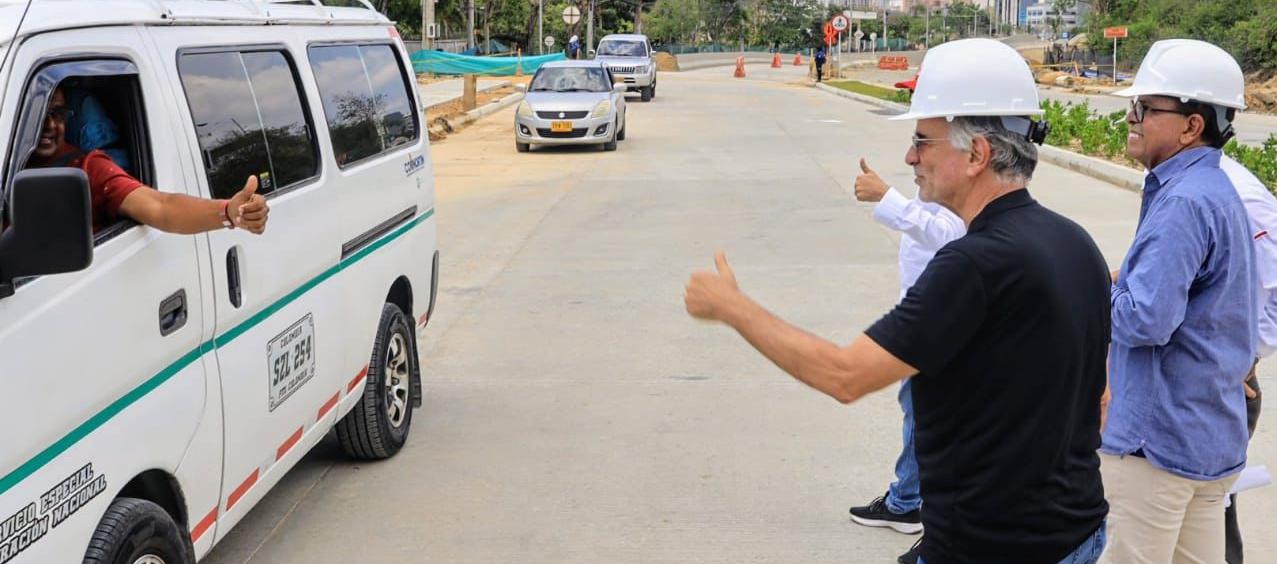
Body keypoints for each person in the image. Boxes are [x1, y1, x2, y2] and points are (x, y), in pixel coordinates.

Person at [684, 39, 1109, 563]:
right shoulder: (1074, 241)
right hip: (1075, 533)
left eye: (922, 141)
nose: (910, 157)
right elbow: (1101, 399)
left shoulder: (971, 265)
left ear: (976, 154)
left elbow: (845, 376)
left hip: (996, 546)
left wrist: (733, 307)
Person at [1101, 39, 1255, 564]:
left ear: (1192, 126)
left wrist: (1091, 289)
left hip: (1156, 445)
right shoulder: (1212, 190)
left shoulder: (1185, 202)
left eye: (1146, 108)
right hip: (1206, 437)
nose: (1132, 117)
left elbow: (1146, 320)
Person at [847, 157, 965, 563]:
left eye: (922, 139)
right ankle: (908, 501)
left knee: (929, 419)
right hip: (929, 315)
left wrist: (887, 199)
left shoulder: (966, 177)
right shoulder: (948, 172)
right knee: (920, 414)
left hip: (941, 322)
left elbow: (950, 235)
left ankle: (922, 516)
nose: (911, 156)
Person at [25, 86, 268, 235]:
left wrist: (228, 211)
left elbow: (162, 207)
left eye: (57, 114)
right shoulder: (10, 161)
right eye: (36, 115)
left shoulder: (89, 168)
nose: (48, 125)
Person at [1219, 154, 1270, 564]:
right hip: (1198, 377)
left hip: (1226, 383)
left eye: (1145, 109)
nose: (1132, 118)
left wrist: (1243, 356)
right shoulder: (1173, 181)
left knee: (1212, 516)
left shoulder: (1240, 196)